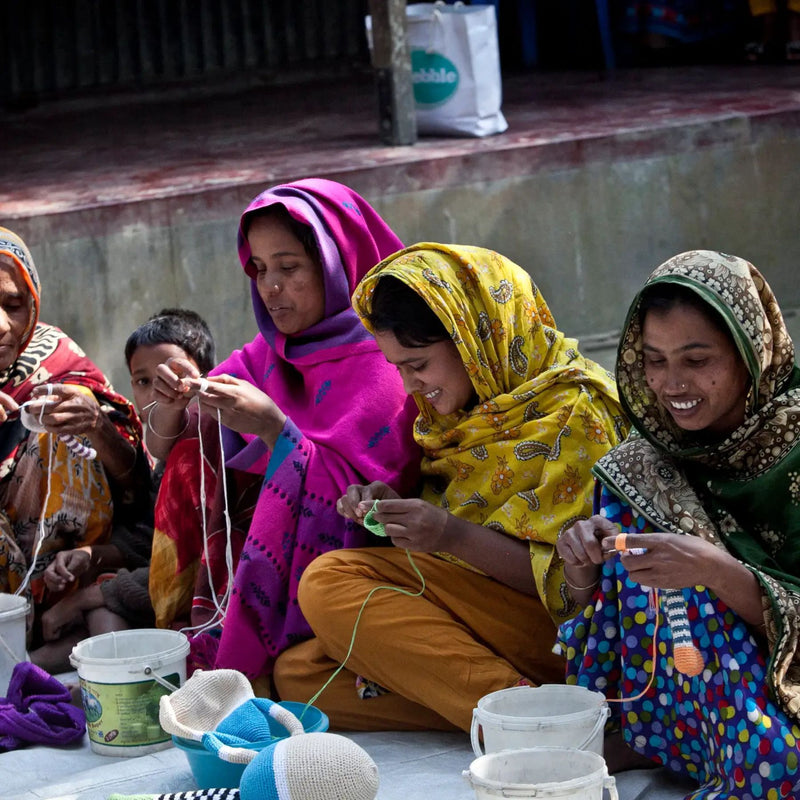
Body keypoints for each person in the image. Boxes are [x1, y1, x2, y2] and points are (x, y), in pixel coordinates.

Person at [272, 242, 628, 731]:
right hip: (478, 619)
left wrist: (446, 534)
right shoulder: (457, 418)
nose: (409, 385)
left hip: (560, 635)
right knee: (299, 678)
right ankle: (506, 703)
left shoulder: (573, 412)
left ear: (472, 340)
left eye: (418, 364)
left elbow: (572, 588)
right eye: (397, 367)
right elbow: (460, 536)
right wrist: (396, 511)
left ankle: (529, 723)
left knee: (328, 582)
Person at [147, 179, 421, 684]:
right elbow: (166, 448)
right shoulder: (267, 353)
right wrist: (171, 404)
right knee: (192, 455)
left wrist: (276, 432)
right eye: (259, 269)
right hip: (269, 569)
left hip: (349, 578)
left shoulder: (389, 358)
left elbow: (365, 507)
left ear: (335, 262)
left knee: (301, 671)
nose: (270, 287)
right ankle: (216, 623)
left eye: (289, 267)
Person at [557, 250, 800, 797]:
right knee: (633, 506)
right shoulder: (640, 466)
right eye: (654, 360)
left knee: (783, 768)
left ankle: (749, 750)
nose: (671, 384)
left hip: (776, 693)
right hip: (682, 708)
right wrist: (581, 570)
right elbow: (606, 619)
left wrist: (718, 571)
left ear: (749, 354)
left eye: (696, 360)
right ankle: (646, 732)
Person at [0, 228, 149, 672]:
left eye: (13, 305)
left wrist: (97, 426)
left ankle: (51, 629)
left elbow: (140, 493)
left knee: (66, 435)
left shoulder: (59, 362)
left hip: (57, 592)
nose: (2, 326)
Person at [37, 308, 216, 653]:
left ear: (204, 375)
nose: (156, 393)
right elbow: (152, 535)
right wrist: (91, 555)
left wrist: (82, 600)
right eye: (143, 381)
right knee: (95, 586)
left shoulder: (207, 451)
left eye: (171, 376)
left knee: (101, 604)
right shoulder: (164, 456)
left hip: (204, 602)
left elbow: (183, 567)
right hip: (159, 589)